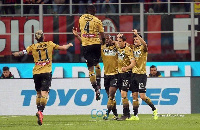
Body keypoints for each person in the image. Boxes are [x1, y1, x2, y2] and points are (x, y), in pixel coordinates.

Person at [12, 30, 73, 125]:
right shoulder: (49, 44)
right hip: (46, 72)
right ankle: (41, 111)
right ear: (44, 37)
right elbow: (63, 48)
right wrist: (69, 44)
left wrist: (15, 54)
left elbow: (21, 53)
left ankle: (38, 111)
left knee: (38, 93)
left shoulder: (32, 46)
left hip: (36, 72)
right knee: (45, 93)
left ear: (36, 38)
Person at [126, 29, 158, 121]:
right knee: (134, 96)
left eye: (137, 39)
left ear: (140, 40)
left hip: (141, 75)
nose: (135, 41)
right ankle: (135, 115)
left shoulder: (143, 48)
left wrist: (137, 34)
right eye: (134, 39)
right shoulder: (132, 48)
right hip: (133, 74)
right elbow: (124, 45)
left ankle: (154, 109)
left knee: (142, 96)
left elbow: (145, 44)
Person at [78, 4, 105, 101]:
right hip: (96, 44)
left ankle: (96, 88)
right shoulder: (97, 20)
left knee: (90, 69)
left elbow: (80, 29)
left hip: (86, 45)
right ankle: (99, 82)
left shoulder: (81, 18)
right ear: (93, 10)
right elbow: (102, 34)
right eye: (95, 9)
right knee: (97, 64)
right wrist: (104, 41)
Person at [116, 35, 135, 121]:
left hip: (126, 74)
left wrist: (126, 68)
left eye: (120, 41)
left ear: (124, 42)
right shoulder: (118, 47)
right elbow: (113, 42)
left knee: (124, 94)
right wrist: (118, 35)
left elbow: (133, 63)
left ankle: (126, 114)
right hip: (119, 74)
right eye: (118, 41)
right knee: (122, 94)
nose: (118, 43)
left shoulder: (128, 50)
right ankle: (127, 114)